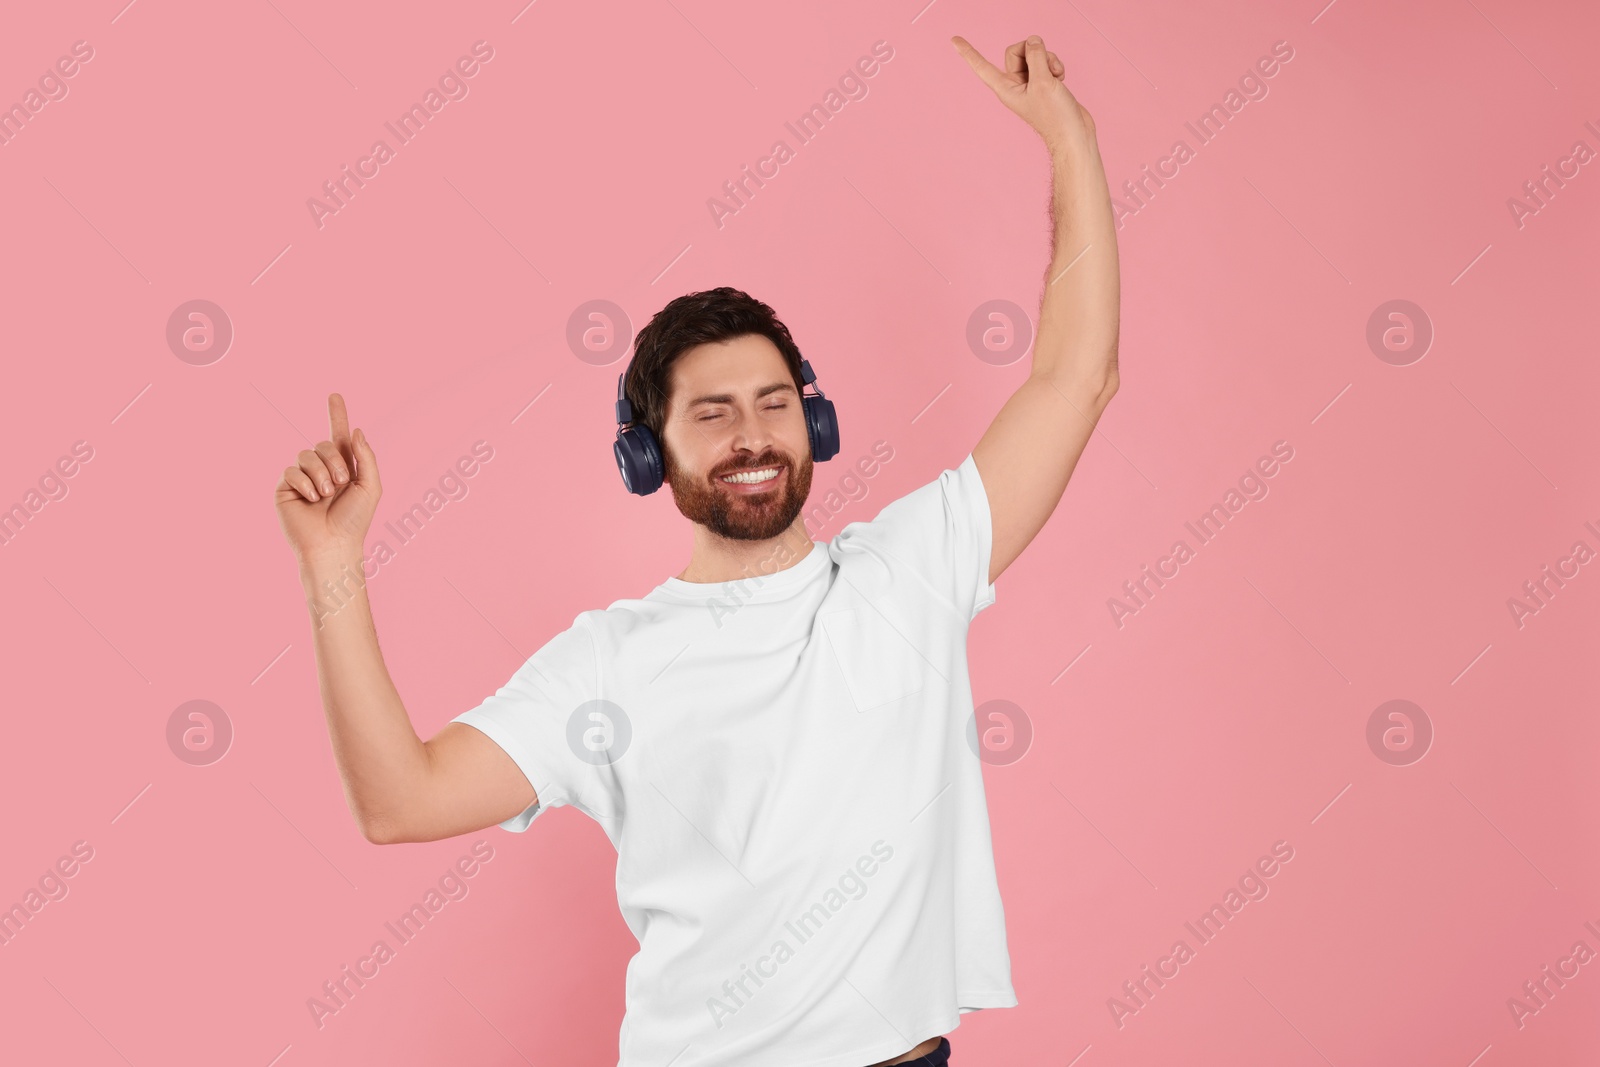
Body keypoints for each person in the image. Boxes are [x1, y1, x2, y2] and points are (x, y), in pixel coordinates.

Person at [273, 32, 1119, 1067]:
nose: (752, 435)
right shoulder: (608, 662)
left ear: (817, 421)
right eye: (710, 414)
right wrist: (331, 564)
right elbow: (398, 801)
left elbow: (1075, 378)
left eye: (773, 403)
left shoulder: (913, 568)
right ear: (647, 455)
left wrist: (1068, 141)